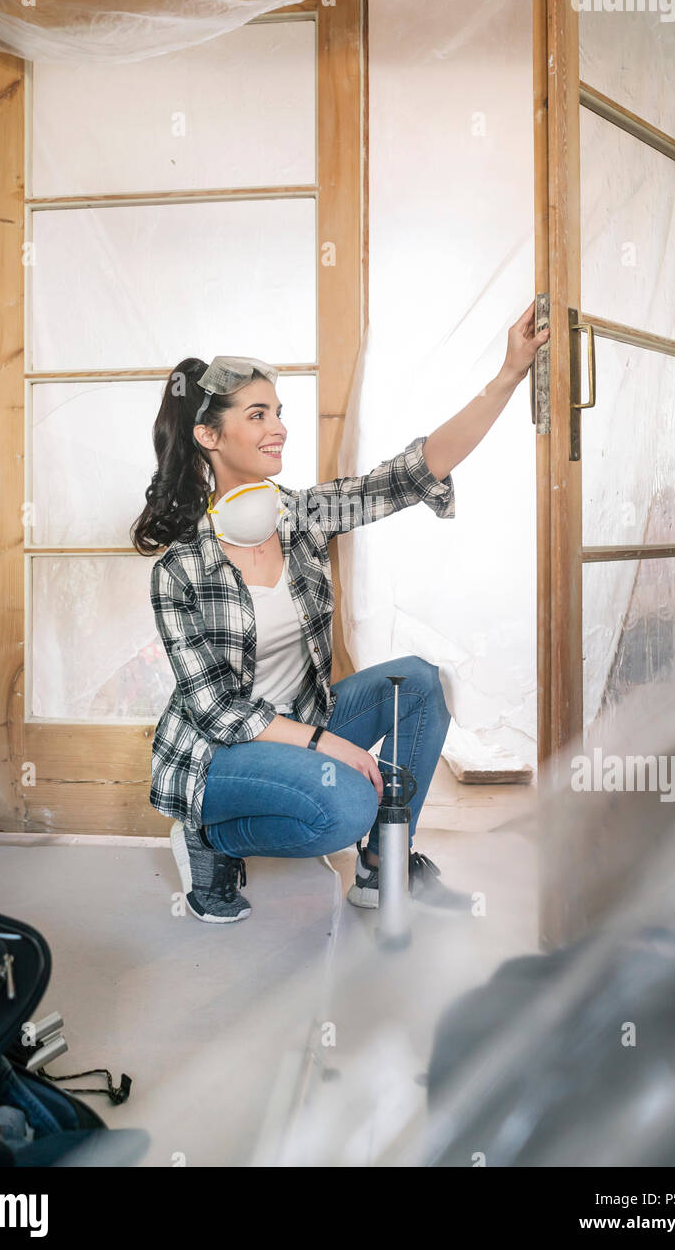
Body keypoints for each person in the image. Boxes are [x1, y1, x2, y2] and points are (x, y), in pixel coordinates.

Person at [132, 300, 545, 924]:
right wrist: (329, 746)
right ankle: (209, 837)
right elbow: (217, 711)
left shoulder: (300, 516)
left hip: (300, 723)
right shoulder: (179, 571)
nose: (278, 428)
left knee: (420, 684)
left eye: (278, 412)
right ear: (208, 436)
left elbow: (410, 474)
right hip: (218, 754)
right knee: (346, 804)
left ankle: (383, 866)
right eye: (257, 415)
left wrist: (510, 372)